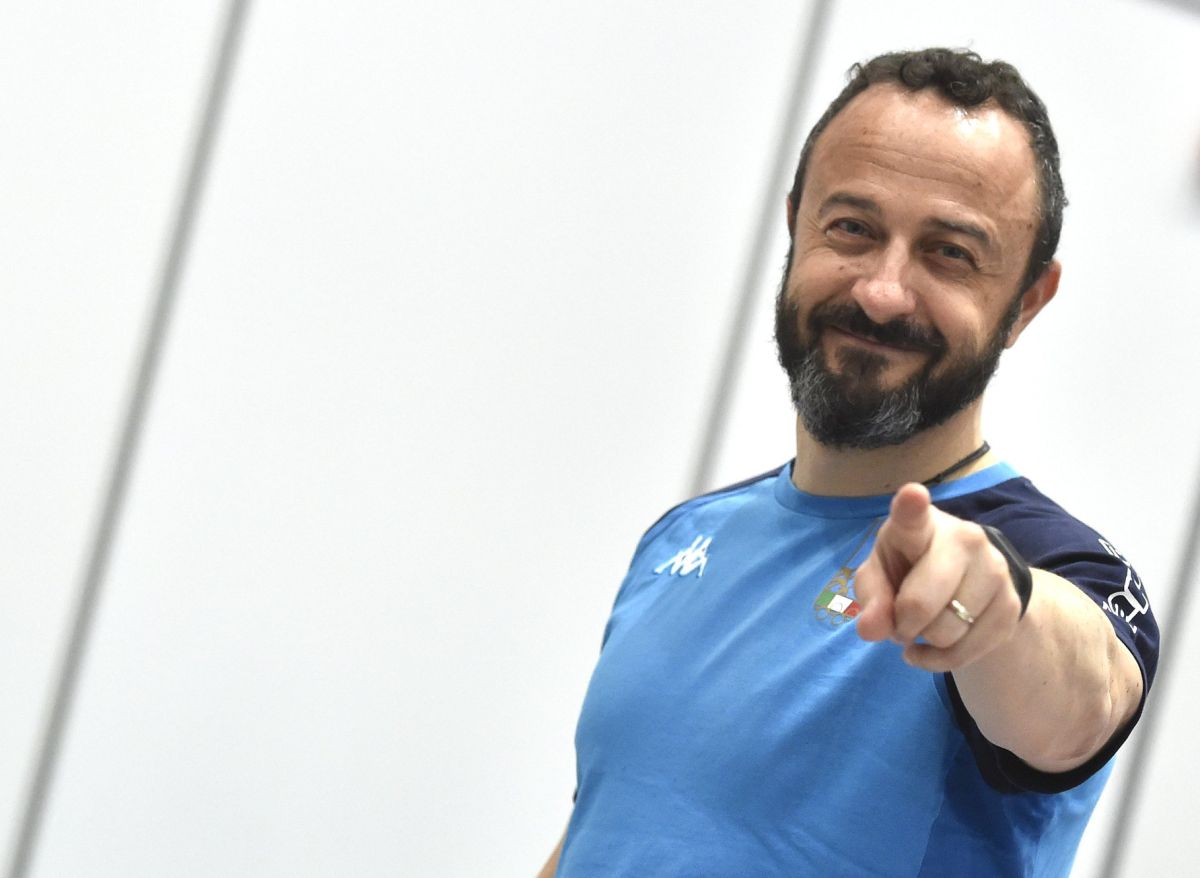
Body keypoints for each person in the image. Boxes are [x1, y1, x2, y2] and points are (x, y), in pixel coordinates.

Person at [537, 48, 1158, 877]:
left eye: (949, 253)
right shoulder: (684, 537)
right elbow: (607, 829)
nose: (882, 291)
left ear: (1026, 303)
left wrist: (999, 606)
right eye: (854, 229)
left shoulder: (1046, 562)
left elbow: (1083, 704)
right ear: (797, 225)